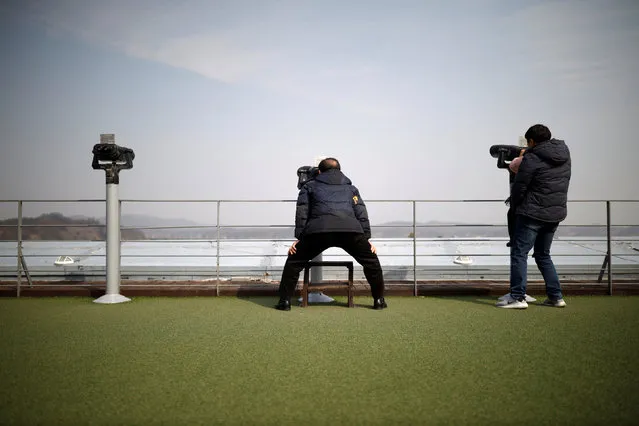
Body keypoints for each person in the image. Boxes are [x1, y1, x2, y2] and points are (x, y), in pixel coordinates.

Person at [275, 157, 386, 311]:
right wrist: (366, 239)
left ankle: (284, 302)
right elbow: (361, 213)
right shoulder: (351, 188)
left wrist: (299, 238)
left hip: (318, 231)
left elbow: (302, 212)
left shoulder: (309, 186)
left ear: (319, 171)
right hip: (350, 231)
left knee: (294, 262)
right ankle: (379, 300)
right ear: (340, 170)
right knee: (372, 263)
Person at [496, 124, 571, 309]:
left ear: (531, 141)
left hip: (532, 213)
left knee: (519, 253)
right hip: (555, 213)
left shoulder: (532, 157)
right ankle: (556, 297)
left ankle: (517, 297)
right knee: (543, 255)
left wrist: (514, 206)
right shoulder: (564, 154)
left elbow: (520, 186)